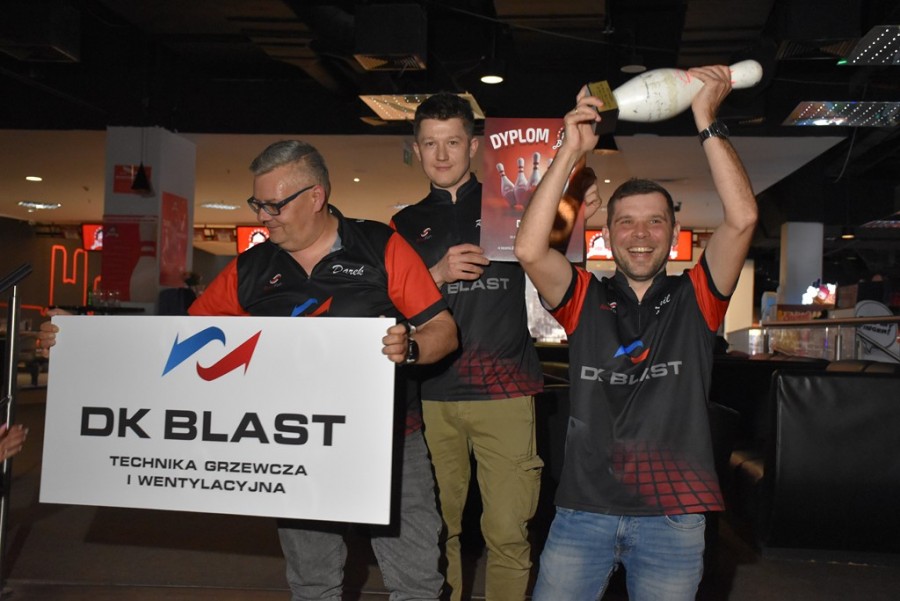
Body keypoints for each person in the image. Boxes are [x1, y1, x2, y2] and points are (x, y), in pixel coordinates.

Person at [40, 140, 458, 601]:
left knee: (416, 583)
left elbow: (442, 330)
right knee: (313, 585)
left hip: (390, 440)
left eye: (274, 205)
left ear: (316, 196)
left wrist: (411, 348)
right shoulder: (251, 267)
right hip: (295, 444)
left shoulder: (379, 245)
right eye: (257, 204)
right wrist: (82, 345)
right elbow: (175, 346)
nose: (263, 217)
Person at [514, 65, 758, 600]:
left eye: (654, 221)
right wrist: (570, 150)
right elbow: (530, 250)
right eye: (626, 221)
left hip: (674, 514)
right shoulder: (585, 297)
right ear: (607, 234)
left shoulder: (697, 297)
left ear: (674, 233)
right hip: (583, 511)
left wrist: (706, 118)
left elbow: (742, 219)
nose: (640, 234)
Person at [390, 92, 598, 601]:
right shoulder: (401, 227)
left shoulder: (516, 206)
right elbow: (389, 312)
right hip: (430, 396)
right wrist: (436, 275)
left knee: (508, 531)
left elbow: (562, 282)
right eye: (430, 144)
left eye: (453, 142)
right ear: (416, 150)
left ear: (474, 146)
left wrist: (575, 219)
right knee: (438, 532)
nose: (442, 154)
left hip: (506, 390)